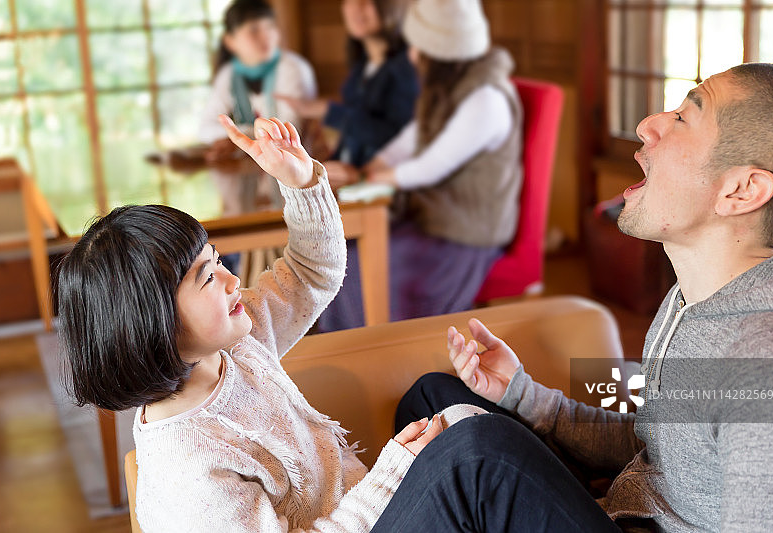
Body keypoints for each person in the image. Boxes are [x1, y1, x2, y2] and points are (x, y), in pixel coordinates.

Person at [378, 63, 773, 531]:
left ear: (741, 190)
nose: (647, 125)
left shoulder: (765, 359)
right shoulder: (690, 300)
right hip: (622, 506)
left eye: (682, 118)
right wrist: (523, 395)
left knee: (473, 459)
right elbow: (654, 448)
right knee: (434, 398)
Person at [56, 116, 446, 532]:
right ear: (152, 324)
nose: (232, 280)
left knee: (444, 403)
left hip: (364, 510)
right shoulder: (188, 469)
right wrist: (389, 480)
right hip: (368, 515)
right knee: (474, 451)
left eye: (218, 261)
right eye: (207, 277)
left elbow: (312, 273)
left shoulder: (233, 345)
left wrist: (300, 184)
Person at [318, 0, 523, 331]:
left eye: (418, 48)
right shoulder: (448, 86)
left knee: (354, 267)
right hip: (433, 220)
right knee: (344, 250)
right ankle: (353, 348)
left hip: (464, 234)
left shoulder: (487, 98)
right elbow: (411, 138)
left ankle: (376, 354)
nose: (412, 55)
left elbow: (432, 166)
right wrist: (372, 165)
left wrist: (365, 176)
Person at [199, 0, 317, 275]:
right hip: (251, 182)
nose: (266, 37)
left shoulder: (292, 68)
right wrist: (245, 134)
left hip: (294, 184)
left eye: (270, 28)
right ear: (230, 41)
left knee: (262, 245)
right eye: (254, 30)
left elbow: (288, 129)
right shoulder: (229, 75)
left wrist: (236, 134)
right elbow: (206, 128)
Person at [277, 0, 418, 170]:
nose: (356, 7)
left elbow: (400, 139)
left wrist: (329, 111)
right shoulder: (362, 65)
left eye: (367, 1)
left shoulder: (407, 68)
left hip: (382, 179)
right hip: (353, 176)